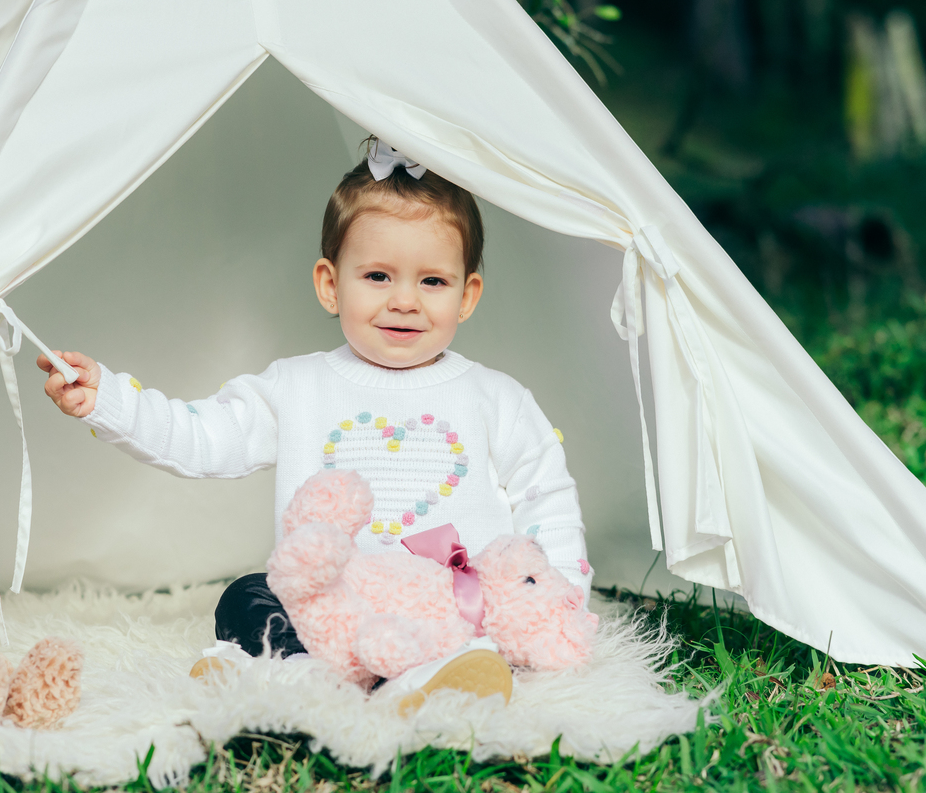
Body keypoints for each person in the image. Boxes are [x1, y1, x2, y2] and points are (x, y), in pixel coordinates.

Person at [37, 138, 592, 706]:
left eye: (432, 281)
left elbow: (545, 496)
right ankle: (304, 671)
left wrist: (561, 602)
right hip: (332, 606)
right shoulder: (296, 387)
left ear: (467, 295)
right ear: (331, 285)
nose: (405, 300)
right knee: (245, 597)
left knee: (480, 623)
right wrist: (111, 401)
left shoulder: (496, 398)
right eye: (378, 276)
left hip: (451, 609)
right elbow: (201, 437)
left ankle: (426, 676)